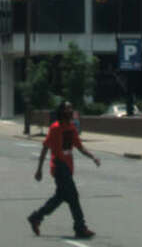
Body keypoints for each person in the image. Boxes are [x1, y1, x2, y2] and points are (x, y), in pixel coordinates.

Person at [28, 100, 100, 239]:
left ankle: (36, 217)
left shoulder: (71, 127)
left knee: (60, 197)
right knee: (73, 196)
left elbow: (79, 147)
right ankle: (80, 227)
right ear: (61, 112)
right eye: (67, 109)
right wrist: (39, 169)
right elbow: (45, 147)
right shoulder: (55, 128)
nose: (70, 111)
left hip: (67, 167)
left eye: (71, 109)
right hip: (59, 166)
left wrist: (93, 157)